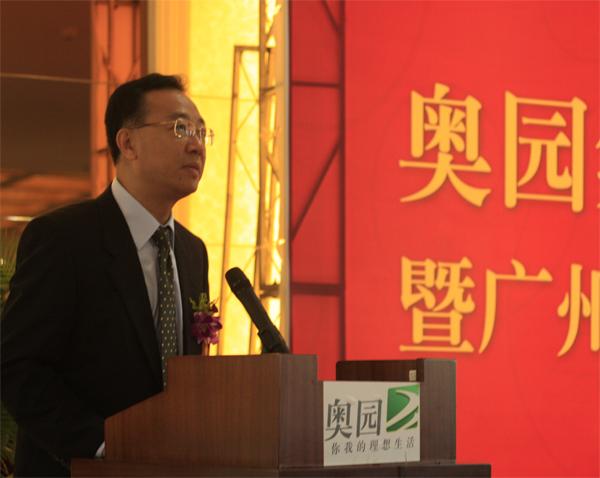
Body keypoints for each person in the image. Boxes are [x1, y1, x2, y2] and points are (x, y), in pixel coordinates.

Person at [1, 73, 211, 477]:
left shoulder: (192, 251)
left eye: (202, 132)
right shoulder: (64, 238)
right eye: (180, 128)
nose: (196, 145)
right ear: (128, 143)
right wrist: (102, 444)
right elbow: (17, 367)